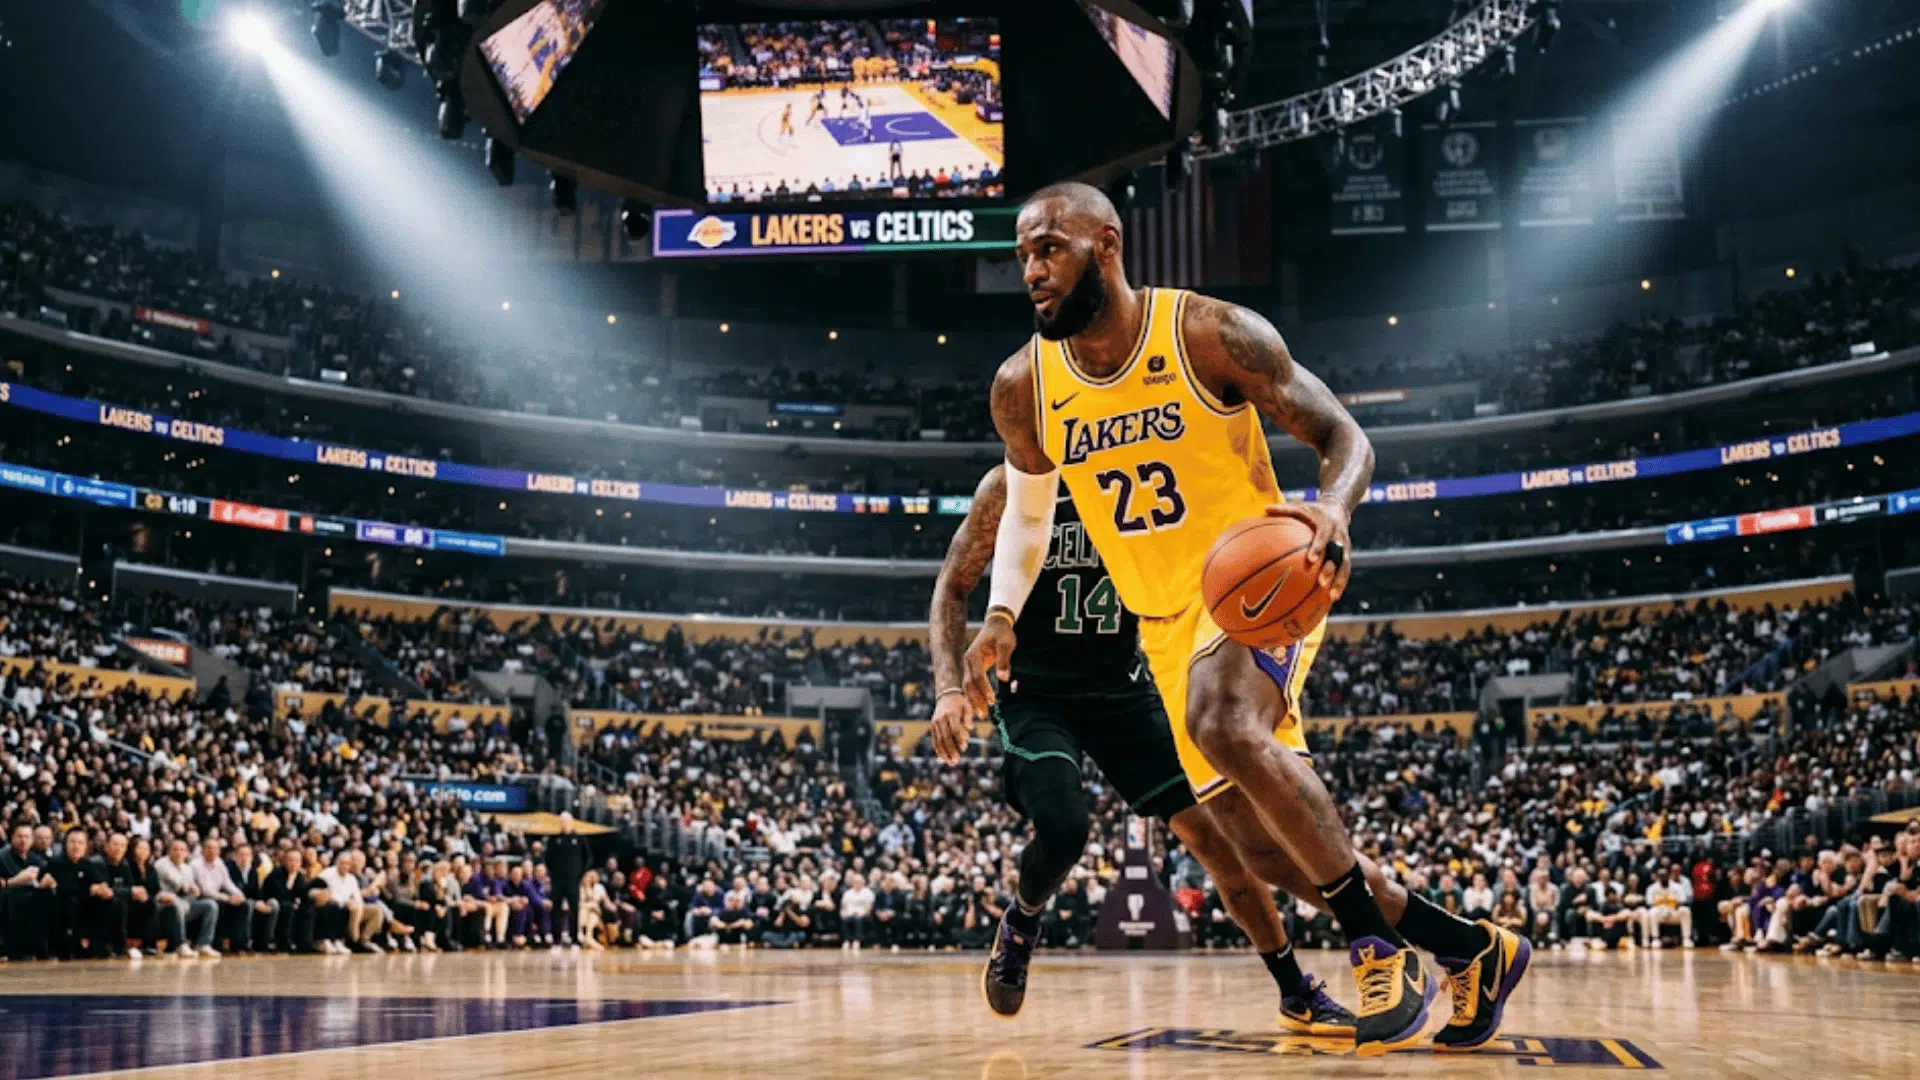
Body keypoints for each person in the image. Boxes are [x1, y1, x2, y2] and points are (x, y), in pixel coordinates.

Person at [960, 182, 1528, 1056]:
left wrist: (1331, 512)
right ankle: (1471, 950)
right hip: (1160, 625)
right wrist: (1000, 614)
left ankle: (1375, 948)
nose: (1031, 271)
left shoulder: (1207, 333)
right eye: (1023, 255)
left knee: (1222, 718)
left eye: (1050, 249)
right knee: (1263, 856)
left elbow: (1346, 438)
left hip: (1258, 581)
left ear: (1106, 246)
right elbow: (1031, 515)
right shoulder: (1023, 387)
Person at [929, 465, 1353, 1032]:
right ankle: (1023, 920)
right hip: (1033, 692)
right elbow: (953, 584)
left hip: (1124, 689)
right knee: (1064, 827)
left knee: (1215, 834)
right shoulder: (1009, 486)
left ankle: (1294, 989)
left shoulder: (1138, 472)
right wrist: (947, 690)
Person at [155, 837, 218, 957]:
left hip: (183, 905)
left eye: (182, 850)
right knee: (176, 902)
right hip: (164, 907)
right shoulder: (161, 864)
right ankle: (181, 945)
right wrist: (191, 888)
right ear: (169, 851)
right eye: (175, 849)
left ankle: (204, 944)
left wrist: (195, 890)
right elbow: (177, 883)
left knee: (211, 905)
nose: (179, 852)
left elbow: (194, 891)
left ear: (187, 853)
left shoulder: (187, 868)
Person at [2, 821, 56, 960]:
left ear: (32, 839)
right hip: (9, 899)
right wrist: (15, 881)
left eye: (27, 837)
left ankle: (44, 949)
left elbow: (47, 877)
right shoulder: (2, 857)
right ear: (12, 837)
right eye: (19, 836)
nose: (23, 840)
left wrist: (48, 882)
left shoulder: (37, 859)